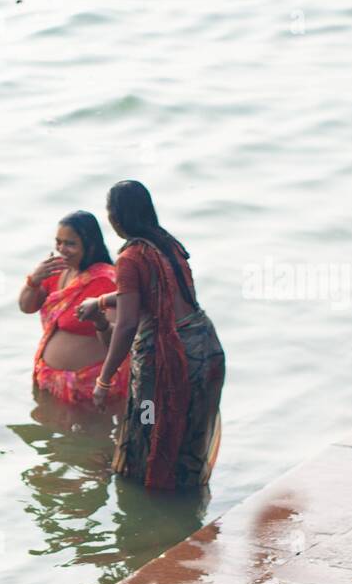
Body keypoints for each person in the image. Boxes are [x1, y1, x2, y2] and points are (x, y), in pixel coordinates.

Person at [77, 180, 226, 489]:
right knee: (187, 434)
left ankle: (147, 505)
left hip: (169, 361)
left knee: (148, 427)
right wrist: (103, 301)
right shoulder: (166, 243)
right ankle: (185, 503)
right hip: (205, 349)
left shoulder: (130, 257)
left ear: (118, 217)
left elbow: (128, 323)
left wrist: (104, 380)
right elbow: (152, 294)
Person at [18, 210, 130, 405]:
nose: (62, 249)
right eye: (58, 242)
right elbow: (26, 307)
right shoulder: (55, 271)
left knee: (94, 434)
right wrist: (34, 280)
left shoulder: (107, 280)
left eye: (70, 244)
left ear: (90, 245)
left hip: (92, 386)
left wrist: (98, 319)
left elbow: (117, 342)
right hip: (50, 381)